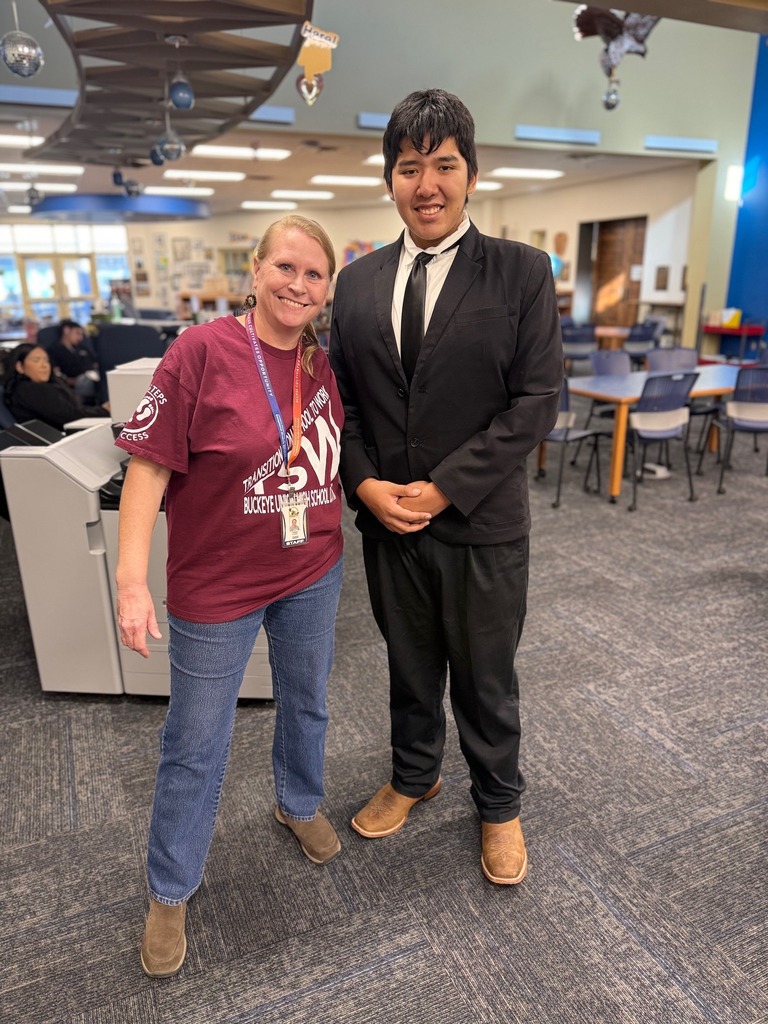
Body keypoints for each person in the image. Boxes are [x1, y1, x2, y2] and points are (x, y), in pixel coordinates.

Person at [329, 89, 563, 886]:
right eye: (408, 167)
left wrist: (442, 488)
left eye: (443, 165)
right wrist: (364, 485)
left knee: (487, 673)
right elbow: (344, 406)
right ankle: (414, 773)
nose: (425, 184)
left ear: (471, 173)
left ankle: (498, 804)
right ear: (389, 179)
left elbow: (536, 403)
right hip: (388, 522)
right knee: (409, 662)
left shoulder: (522, 273)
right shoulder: (356, 286)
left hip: (482, 521)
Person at [114, 214, 344, 978]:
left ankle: (299, 803)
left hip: (312, 564)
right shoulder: (201, 352)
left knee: (307, 700)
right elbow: (147, 468)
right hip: (217, 584)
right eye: (285, 267)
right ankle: (170, 889)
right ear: (254, 270)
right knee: (196, 744)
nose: (297, 284)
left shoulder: (322, 361)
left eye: (314, 275)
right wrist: (131, 579)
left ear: (326, 289)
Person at [2, 343, 110, 430]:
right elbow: (71, 417)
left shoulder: (39, 386)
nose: (44, 365)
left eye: (46, 360)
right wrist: (103, 410)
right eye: (36, 360)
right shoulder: (28, 390)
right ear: (20, 367)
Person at [49, 319, 101, 403]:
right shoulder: (54, 350)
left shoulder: (83, 348)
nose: (80, 338)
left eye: (82, 335)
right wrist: (70, 381)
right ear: (66, 330)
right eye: (77, 333)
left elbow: (94, 363)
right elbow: (55, 373)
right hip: (72, 384)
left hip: (92, 377)